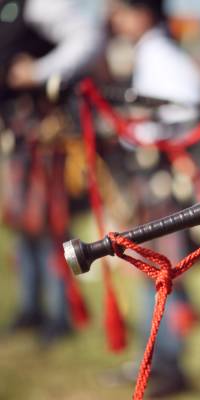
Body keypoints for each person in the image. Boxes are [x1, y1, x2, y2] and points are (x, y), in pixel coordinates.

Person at [108, 0, 200, 396]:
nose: (115, 20)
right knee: (151, 273)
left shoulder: (162, 54)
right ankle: (154, 359)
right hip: (150, 178)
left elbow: (188, 109)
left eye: (121, 11)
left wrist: (149, 135)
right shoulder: (151, 51)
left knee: (163, 275)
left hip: (163, 177)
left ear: (142, 11)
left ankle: (167, 364)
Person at [0, 0, 103, 343]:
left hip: (43, 132)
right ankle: (32, 308)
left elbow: (87, 37)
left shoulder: (39, 4)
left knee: (50, 225)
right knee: (22, 226)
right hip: (15, 132)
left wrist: (41, 70)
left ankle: (62, 314)